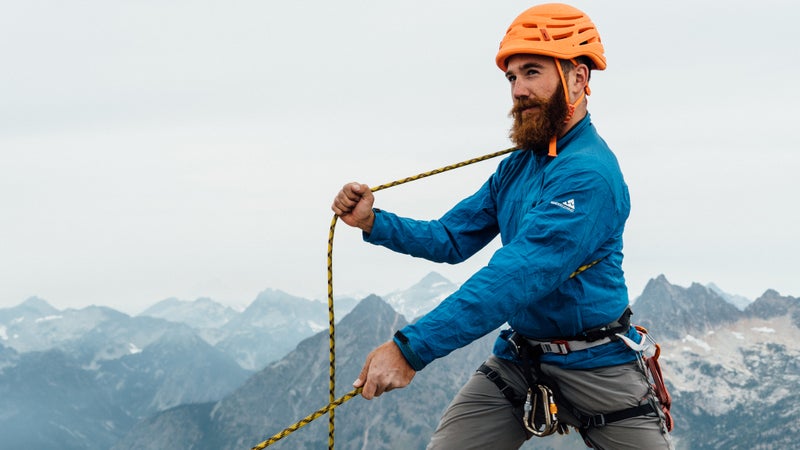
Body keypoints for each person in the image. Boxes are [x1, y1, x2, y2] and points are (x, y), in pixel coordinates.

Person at [331, 3, 673, 449]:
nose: (517, 90)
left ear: (578, 79)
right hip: (522, 359)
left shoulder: (589, 176)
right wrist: (374, 222)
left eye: (532, 72)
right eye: (512, 77)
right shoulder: (519, 166)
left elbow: (516, 275)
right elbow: (451, 238)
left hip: (599, 366)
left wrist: (411, 348)